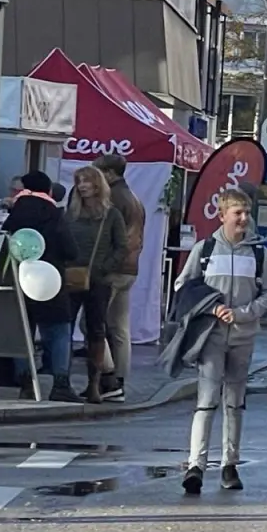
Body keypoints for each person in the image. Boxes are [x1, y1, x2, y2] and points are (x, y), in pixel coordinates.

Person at [175, 188, 267, 493]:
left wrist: (243, 314)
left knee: (235, 402)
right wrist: (212, 308)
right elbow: (183, 286)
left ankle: (229, 465)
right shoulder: (205, 250)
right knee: (206, 401)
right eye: (238, 213)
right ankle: (196, 465)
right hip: (211, 336)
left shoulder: (259, 254)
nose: (244, 218)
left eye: (247, 212)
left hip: (243, 337)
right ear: (222, 216)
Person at [2, 171, 80, 402]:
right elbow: (71, 251)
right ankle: (61, 384)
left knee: (23, 332)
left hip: (19, 281)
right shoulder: (54, 215)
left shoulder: (13, 216)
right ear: (48, 190)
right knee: (59, 331)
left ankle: (26, 383)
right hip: (49, 281)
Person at [65, 166, 129, 404]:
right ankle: (64, 383)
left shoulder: (111, 214)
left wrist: (104, 268)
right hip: (72, 277)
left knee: (96, 331)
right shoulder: (70, 213)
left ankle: (94, 384)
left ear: (97, 184)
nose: (82, 186)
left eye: (87, 181)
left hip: (99, 281)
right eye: (79, 181)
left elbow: (121, 246)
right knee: (65, 329)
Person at [91, 154, 144, 402]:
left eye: (98, 173)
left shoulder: (112, 197)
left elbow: (109, 237)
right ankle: (119, 381)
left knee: (93, 324)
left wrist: (103, 265)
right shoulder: (133, 197)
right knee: (119, 327)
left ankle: (109, 378)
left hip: (113, 268)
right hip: (130, 268)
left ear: (109, 174)